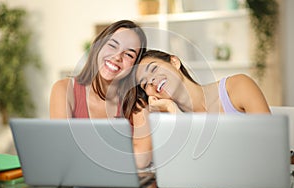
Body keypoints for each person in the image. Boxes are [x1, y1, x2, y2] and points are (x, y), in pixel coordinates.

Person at [49, 20, 152, 169]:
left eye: (129, 54)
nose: (117, 57)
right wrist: (122, 154)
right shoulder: (64, 89)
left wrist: (82, 149)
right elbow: (63, 151)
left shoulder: (137, 102)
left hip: (122, 187)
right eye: (112, 45)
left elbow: (142, 160)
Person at [133, 49, 271, 114]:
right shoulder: (170, 117)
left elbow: (271, 145)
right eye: (144, 84)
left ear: (174, 62)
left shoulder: (239, 86)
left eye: (154, 69)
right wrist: (171, 110)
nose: (151, 81)